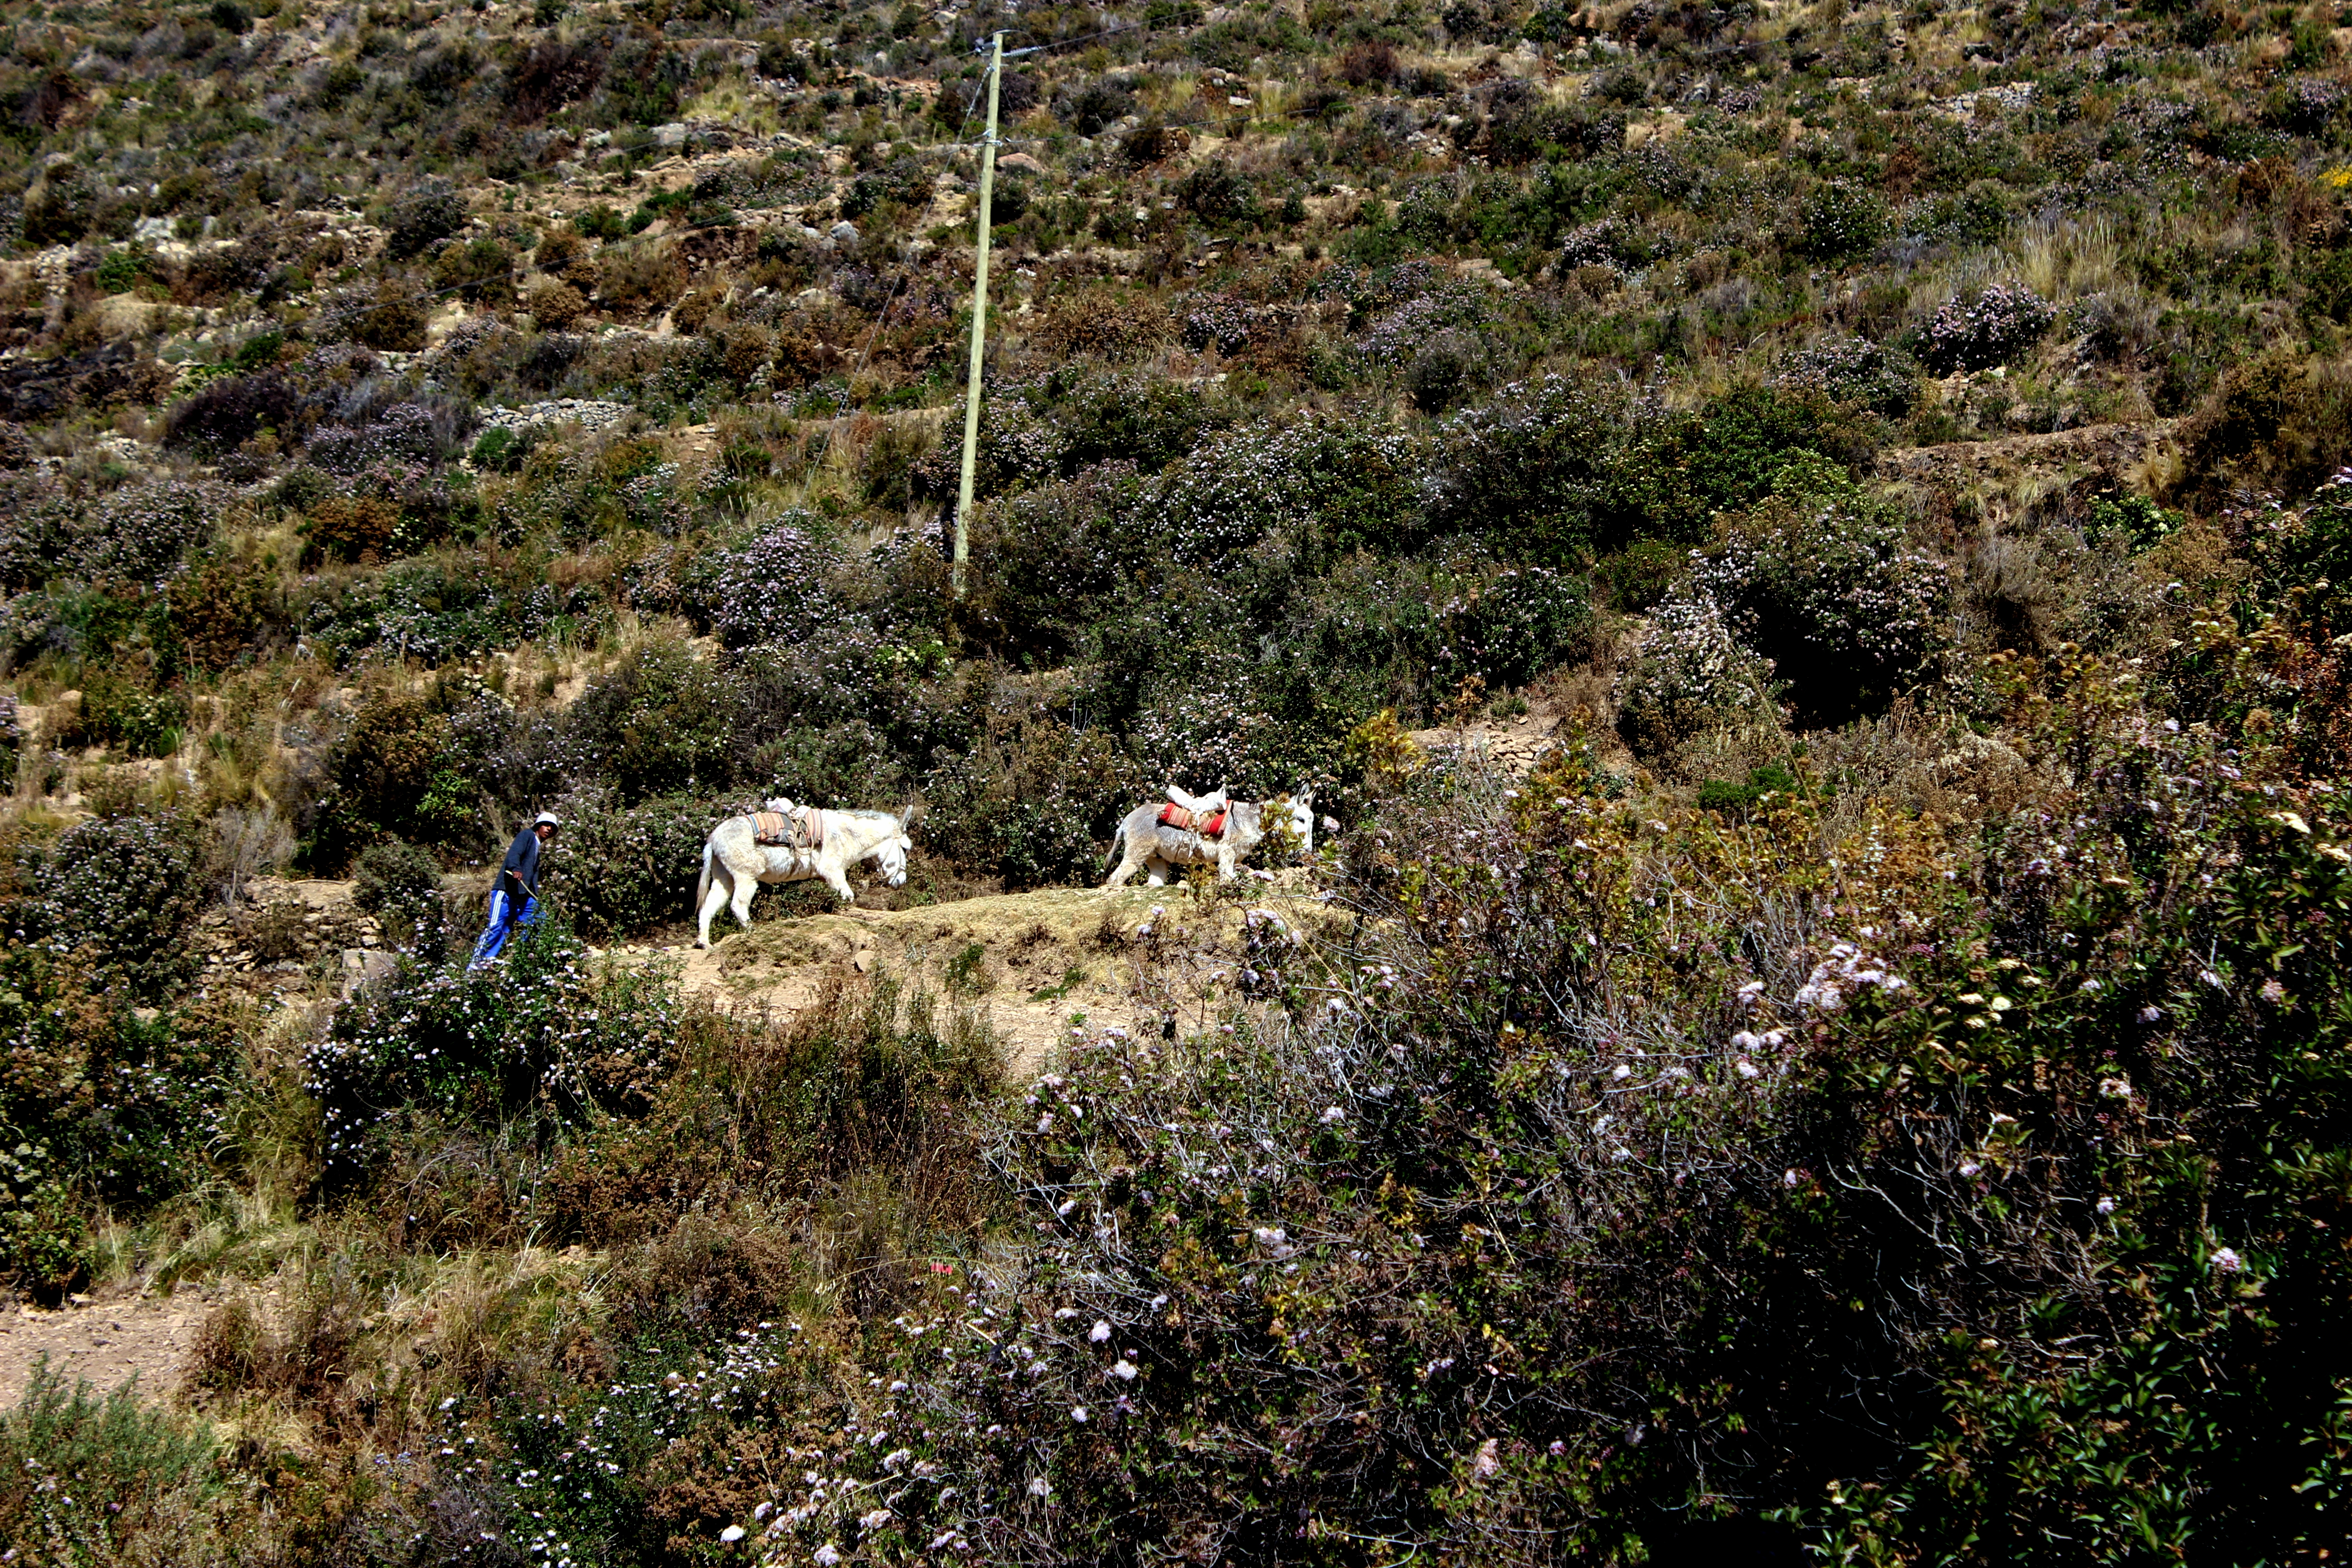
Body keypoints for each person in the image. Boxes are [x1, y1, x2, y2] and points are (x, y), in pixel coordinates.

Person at [470, 811, 559, 969]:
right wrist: (516, 869)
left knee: (540, 920)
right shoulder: (527, 836)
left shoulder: (537, 846)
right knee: (497, 927)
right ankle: (476, 966)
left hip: (523, 895)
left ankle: (521, 957)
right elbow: (514, 854)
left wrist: (535, 895)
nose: (549, 829)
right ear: (538, 826)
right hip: (507, 891)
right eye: (546, 825)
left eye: (553, 828)